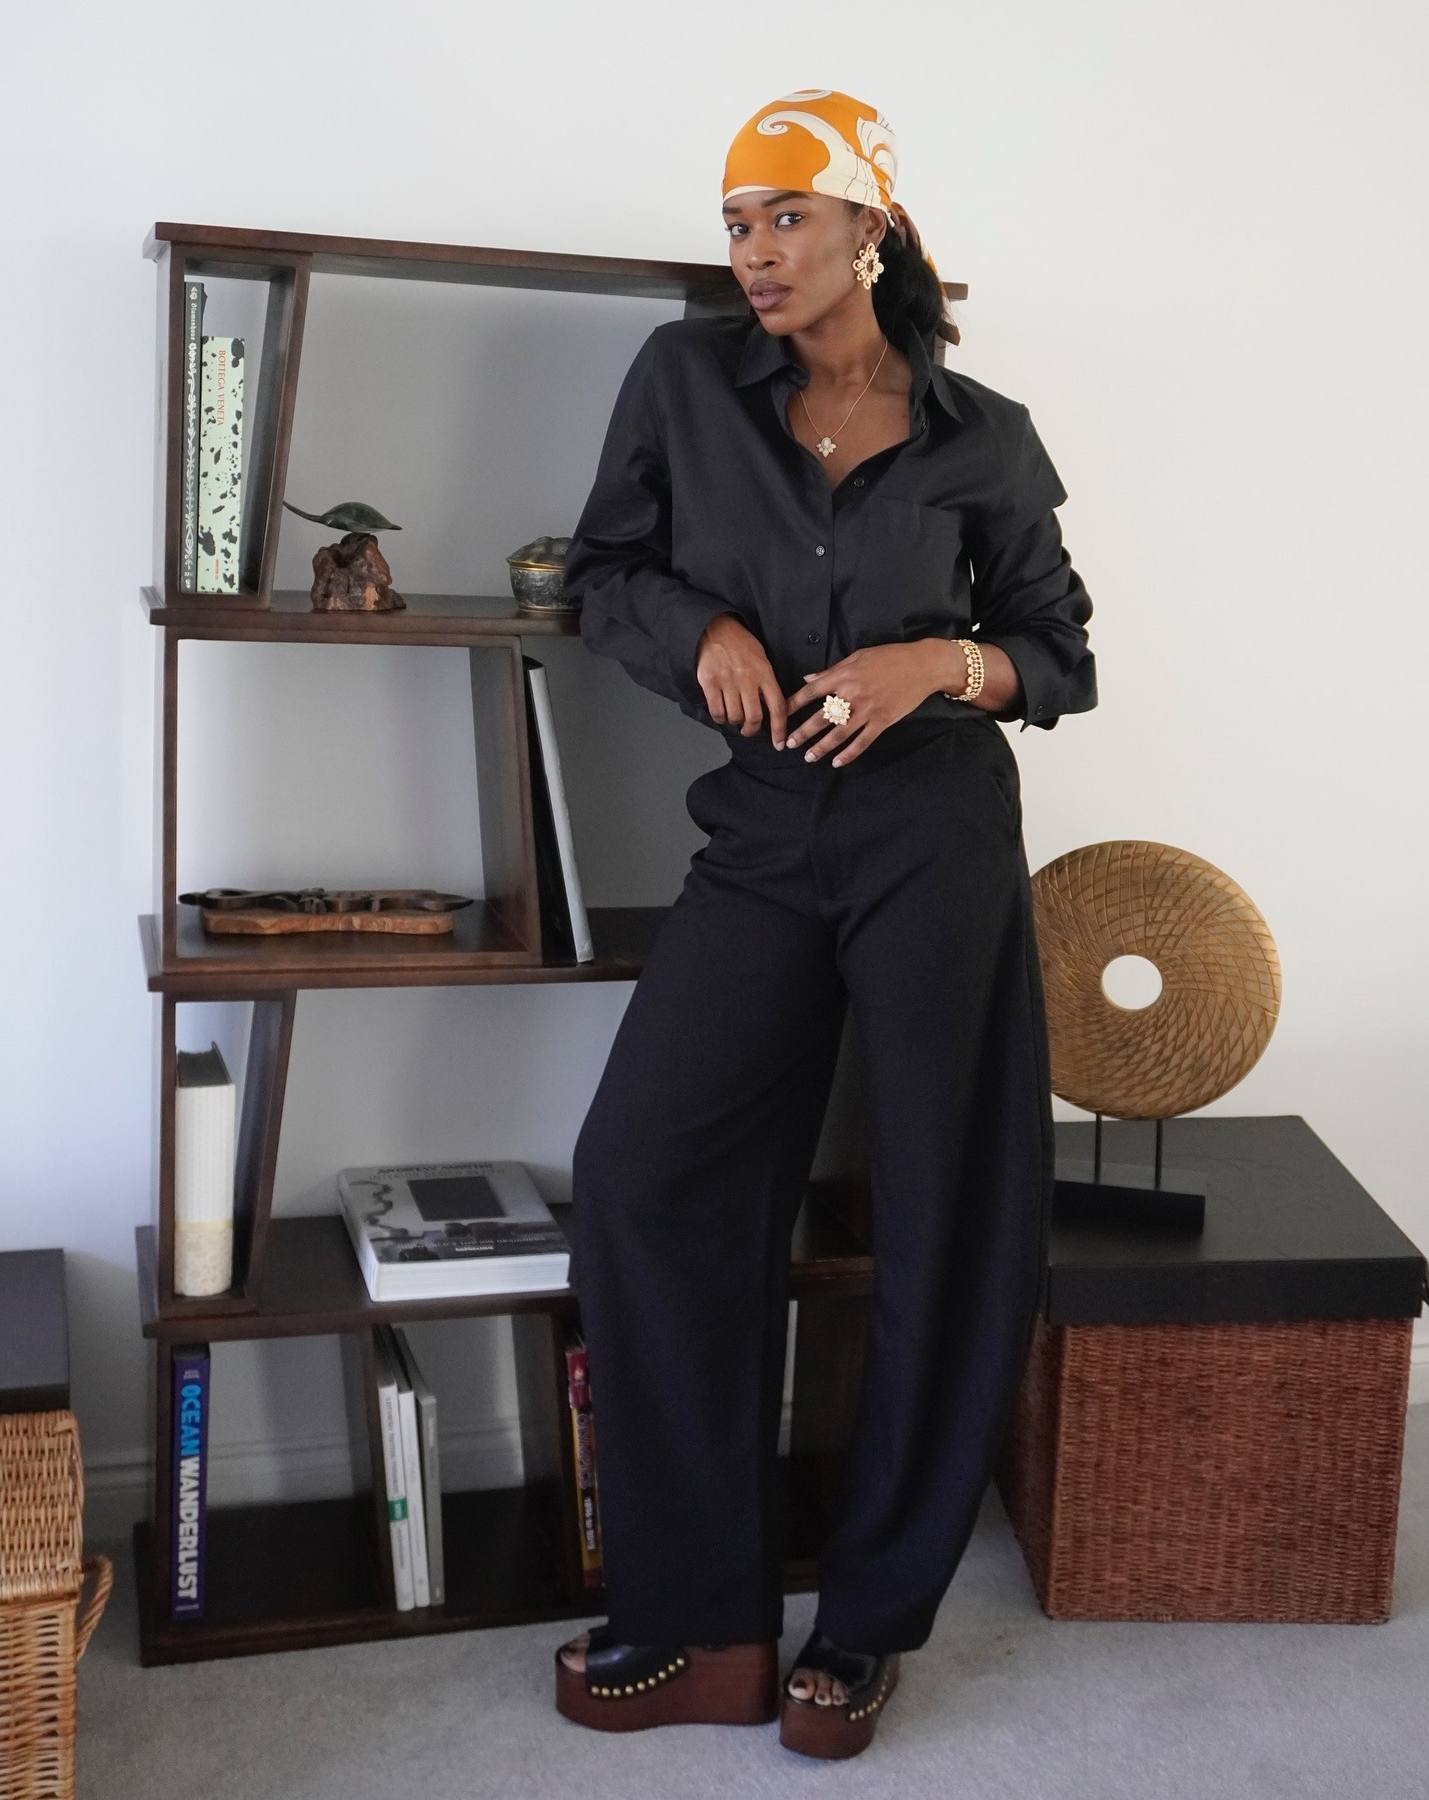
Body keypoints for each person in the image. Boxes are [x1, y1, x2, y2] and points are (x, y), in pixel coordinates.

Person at [553, 88, 1096, 1760]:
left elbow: (1061, 656)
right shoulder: (683, 383)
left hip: (934, 827)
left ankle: (864, 1630)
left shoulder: (981, 432)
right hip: (766, 831)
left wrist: (937, 663)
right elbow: (601, 573)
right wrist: (701, 622)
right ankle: (700, 1616)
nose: (755, 250)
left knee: (948, 1208)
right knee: (650, 1175)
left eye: (788, 214)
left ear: (873, 227)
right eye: (736, 221)